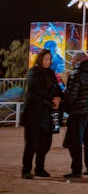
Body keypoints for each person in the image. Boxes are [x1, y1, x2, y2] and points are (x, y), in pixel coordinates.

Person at [21, 49, 62, 178]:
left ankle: (40, 168)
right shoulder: (33, 72)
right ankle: (26, 170)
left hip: (47, 113)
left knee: (45, 143)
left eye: (49, 59)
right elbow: (36, 88)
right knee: (31, 143)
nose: (48, 61)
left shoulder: (51, 73)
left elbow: (57, 89)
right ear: (40, 59)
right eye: (46, 59)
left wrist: (59, 98)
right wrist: (52, 98)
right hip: (34, 113)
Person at [63, 51, 88, 178]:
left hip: (78, 111)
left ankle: (76, 169)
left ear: (78, 60)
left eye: (72, 58)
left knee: (75, 141)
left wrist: (66, 107)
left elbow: (71, 95)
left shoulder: (76, 74)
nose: (71, 60)